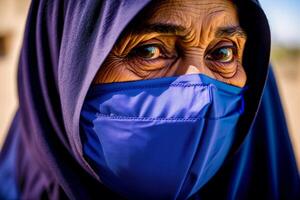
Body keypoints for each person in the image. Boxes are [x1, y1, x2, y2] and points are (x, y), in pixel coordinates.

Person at [0, 0, 299, 199]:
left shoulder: (262, 174)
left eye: (222, 53)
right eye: (149, 51)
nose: (200, 98)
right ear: (64, 62)